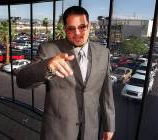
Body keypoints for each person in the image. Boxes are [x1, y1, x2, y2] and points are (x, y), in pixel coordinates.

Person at [16, 6, 115, 140]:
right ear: (64, 29)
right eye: (71, 28)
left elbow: (106, 92)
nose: (77, 33)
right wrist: (47, 67)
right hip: (58, 132)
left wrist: (109, 126)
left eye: (82, 26)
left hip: (90, 130)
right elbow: (21, 80)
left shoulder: (103, 53)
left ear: (89, 25)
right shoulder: (48, 49)